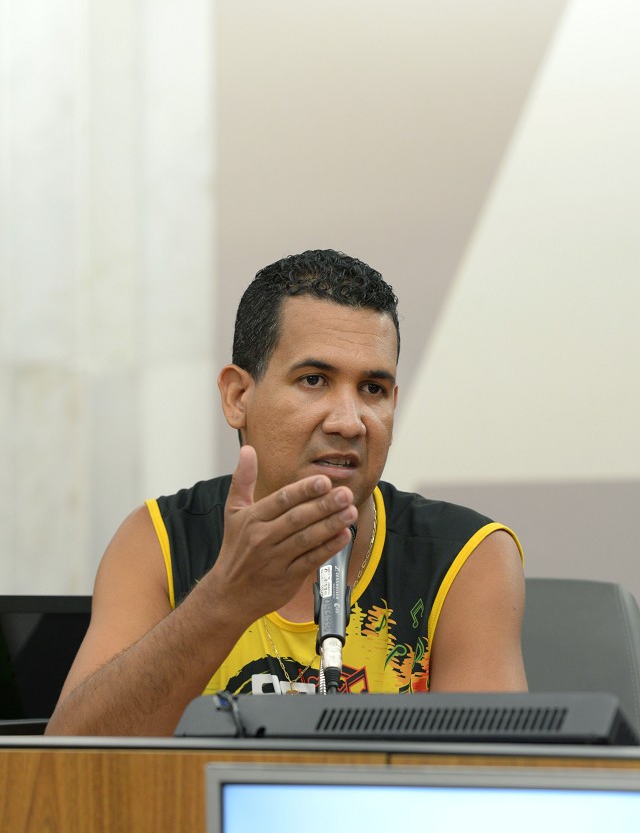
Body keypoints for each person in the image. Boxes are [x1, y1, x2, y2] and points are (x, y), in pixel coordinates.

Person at [46, 249, 527, 736]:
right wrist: (223, 601)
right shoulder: (157, 540)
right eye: (314, 380)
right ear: (238, 397)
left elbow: (495, 773)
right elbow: (67, 759)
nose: (349, 422)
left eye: (373, 389)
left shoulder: (467, 556)